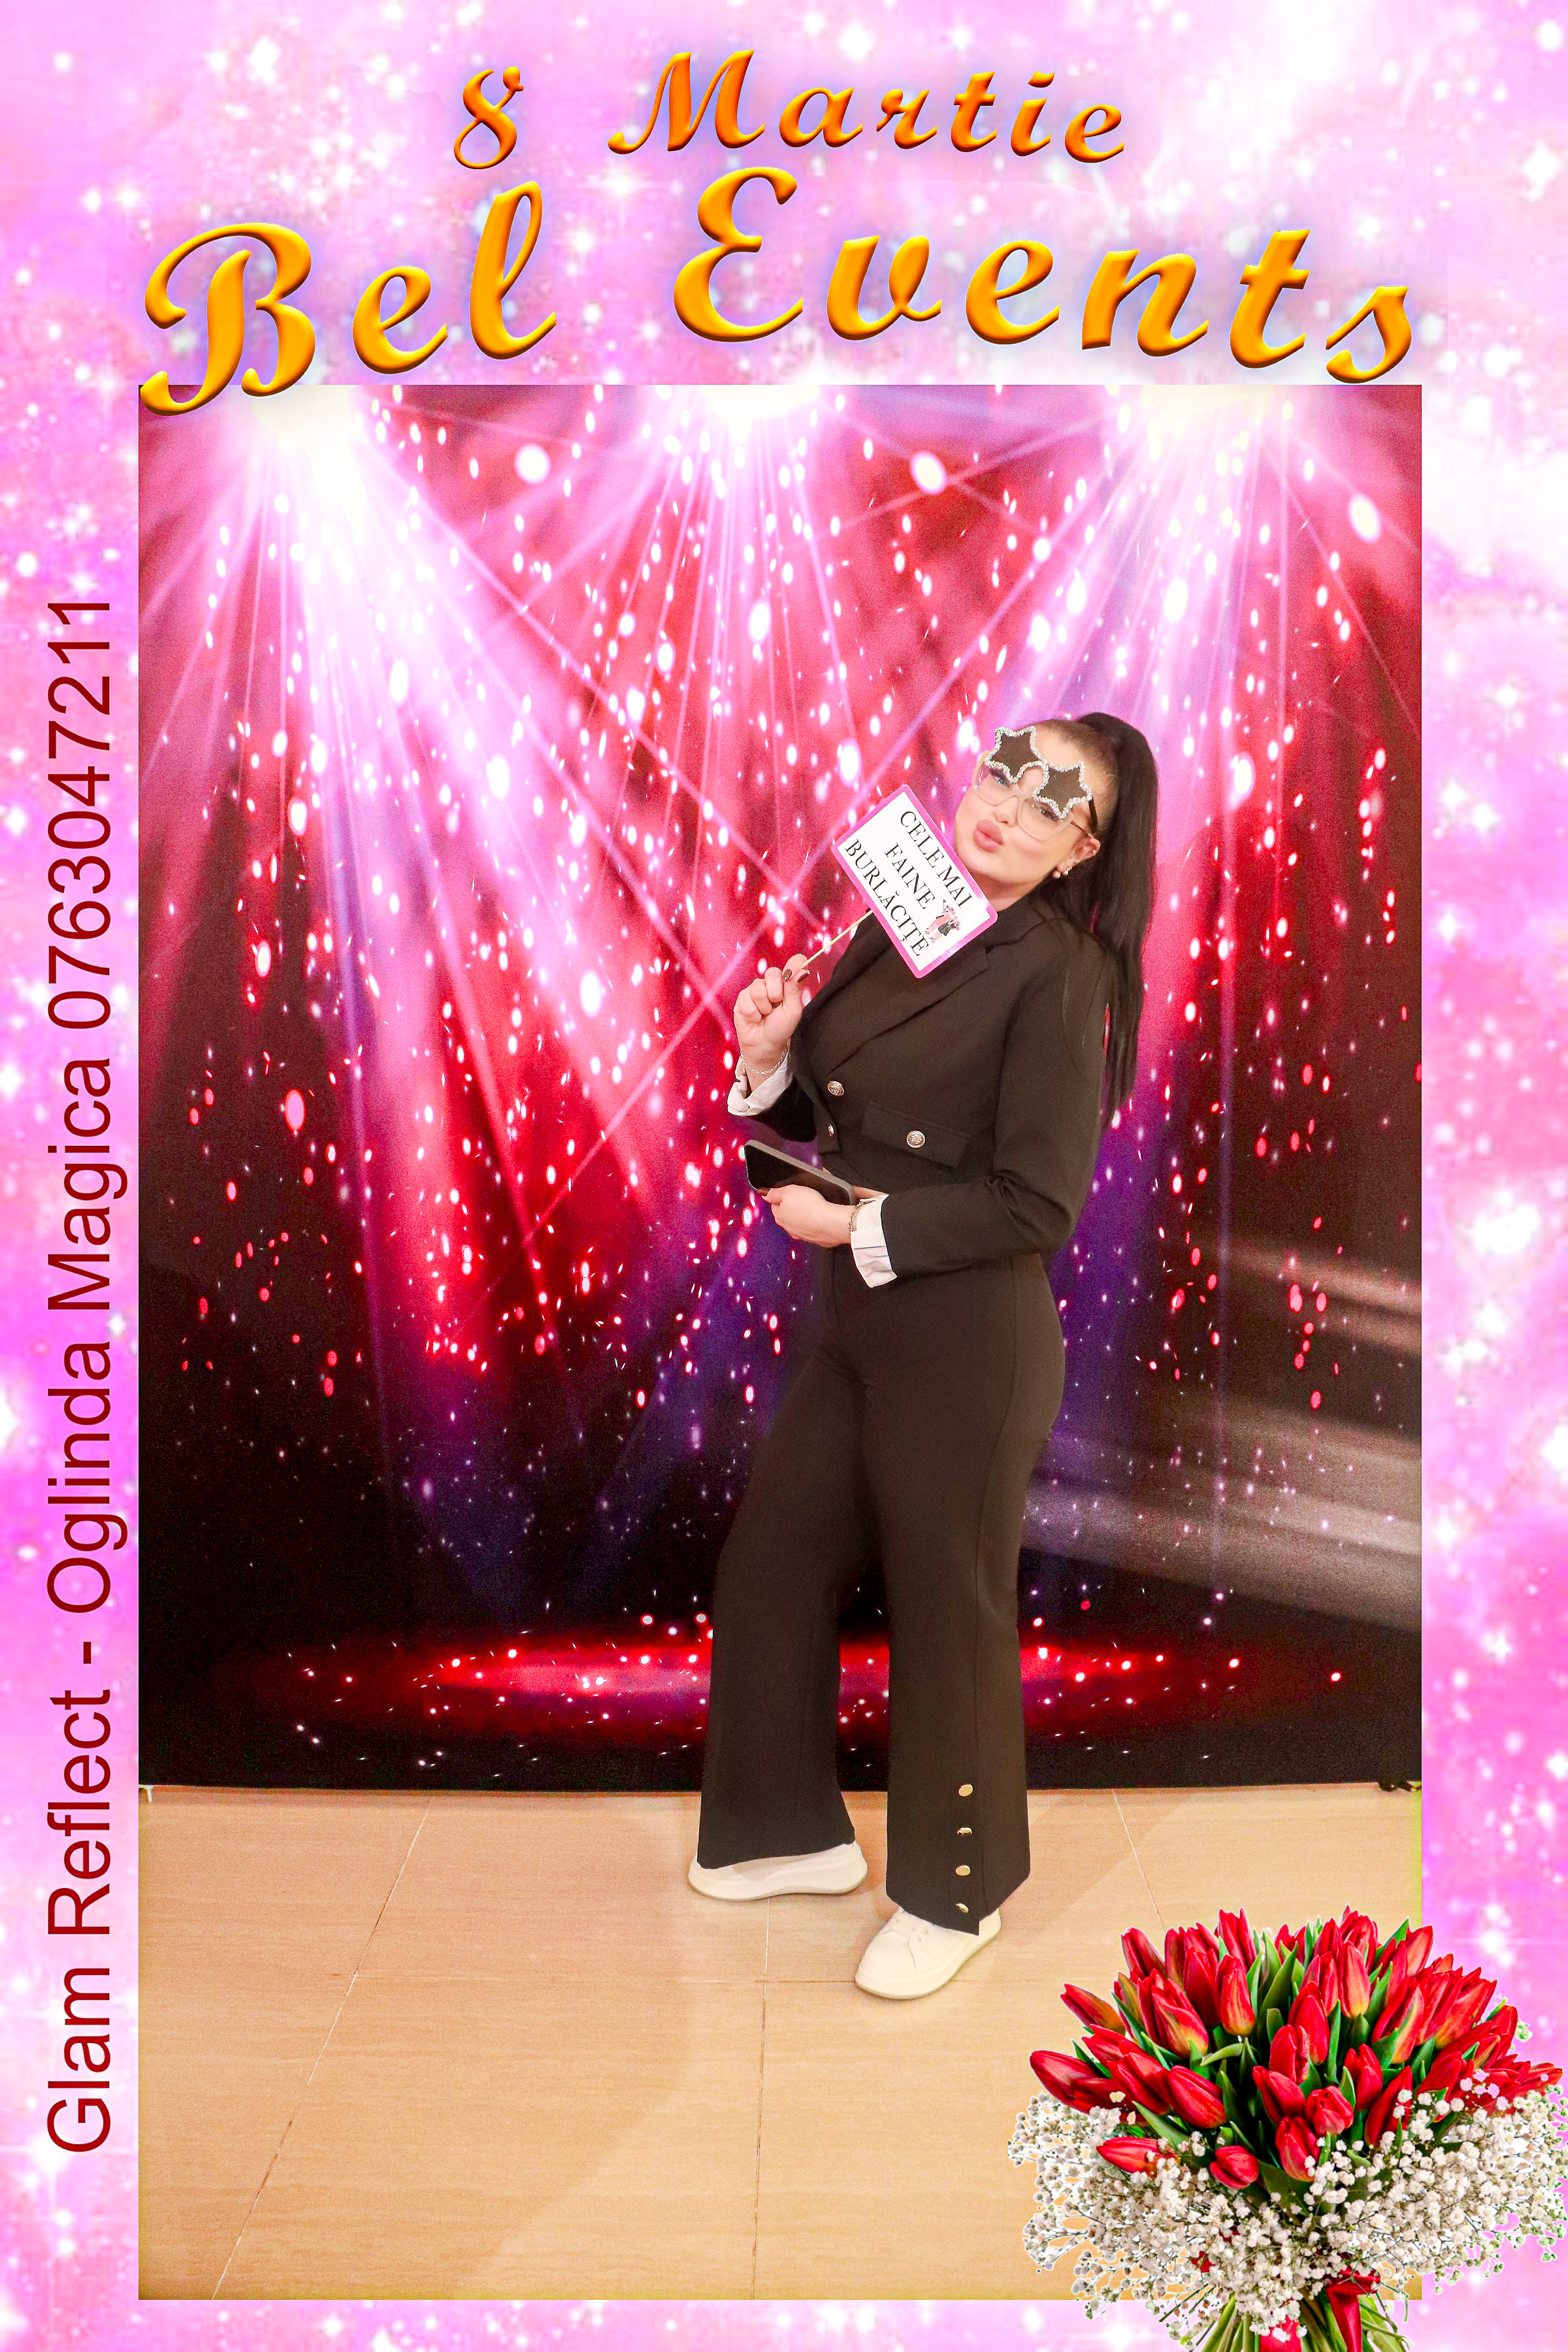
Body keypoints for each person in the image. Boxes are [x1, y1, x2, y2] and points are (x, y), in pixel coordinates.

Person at [689, 713, 1158, 1998]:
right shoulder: (898, 920)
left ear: (1080, 852)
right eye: (1006, 769)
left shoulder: (1059, 973)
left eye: (1050, 802)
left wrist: (858, 1226)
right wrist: (768, 1058)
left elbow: (1037, 1203)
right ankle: (786, 1835)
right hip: (857, 1329)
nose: (1007, 803)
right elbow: (834, 1115)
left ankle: (959, 1895)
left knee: (949, 1616)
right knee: (771, 1565)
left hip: (968, 1348)